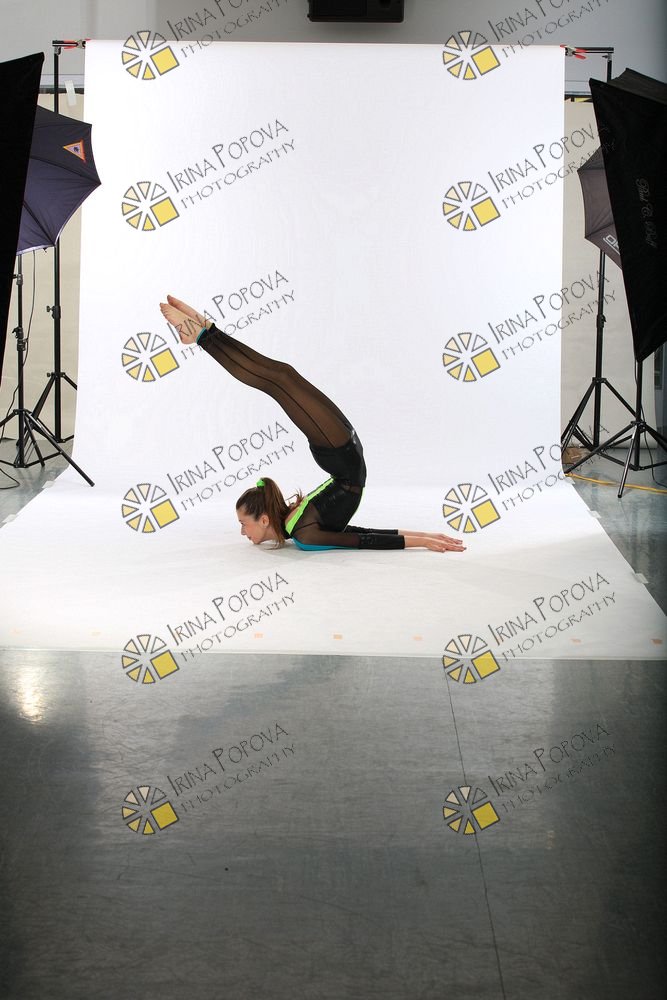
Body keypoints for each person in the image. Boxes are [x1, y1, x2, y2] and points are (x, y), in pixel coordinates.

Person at [160, 295, 466, 554]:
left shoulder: (300, 529)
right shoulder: (303, 534)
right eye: (242, 524)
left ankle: (205, 332)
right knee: (280, 379)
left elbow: (358, 535)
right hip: (341, 453)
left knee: (282, 378)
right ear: (265, 521)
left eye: (243, 524)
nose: (242, 532)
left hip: (340, 453)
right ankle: (202, 334)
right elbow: (361, 537)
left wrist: (424, 539)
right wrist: (424, 538)